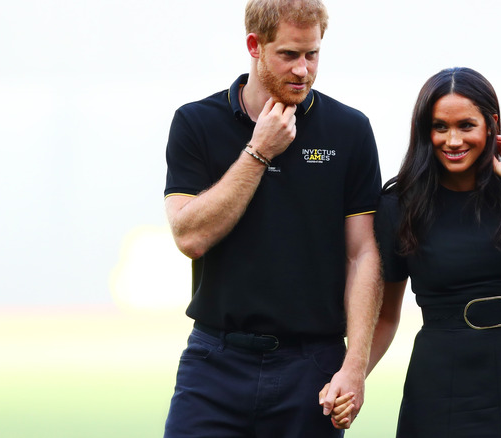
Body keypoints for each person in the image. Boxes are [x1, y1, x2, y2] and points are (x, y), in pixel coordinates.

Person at [328, 67, 501, 436]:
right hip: (444, 382)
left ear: (491, 125)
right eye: (440, 126)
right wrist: (353, 374)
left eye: (466, 126)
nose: (453, 140)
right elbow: (387, 315)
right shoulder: (399, 204)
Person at [161, 1, 382, 436]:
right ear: (254, 46)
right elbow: (190, 237)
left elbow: (363, 254)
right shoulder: (195, 123)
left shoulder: (349, 130)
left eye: (312, 54)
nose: (303, 70)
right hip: (215, 361)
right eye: (288, 55)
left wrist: (354, 367)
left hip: (312, 365)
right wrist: (258, 152)